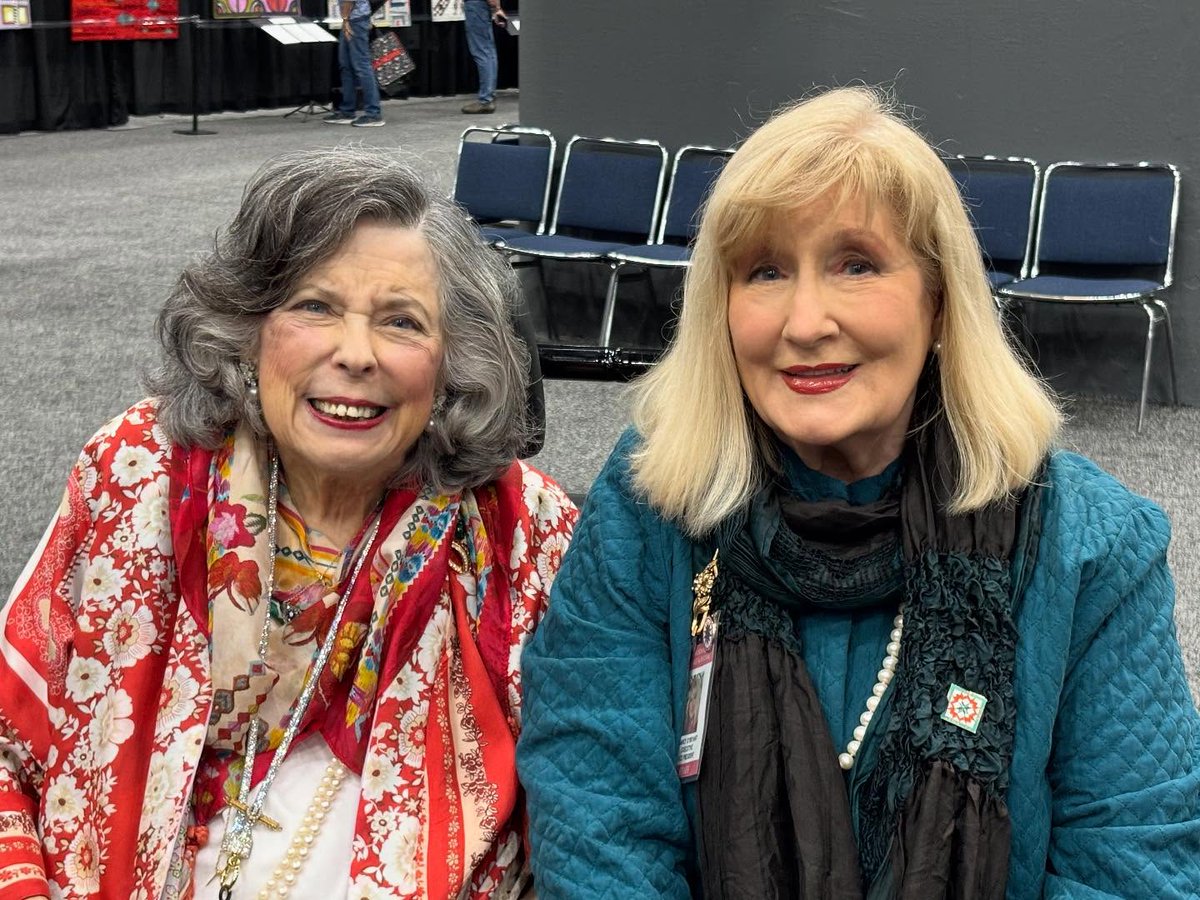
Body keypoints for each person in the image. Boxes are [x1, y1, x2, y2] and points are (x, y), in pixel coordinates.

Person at [517, 86, 1200, 898]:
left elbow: (1131, 860)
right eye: (765, 270)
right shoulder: (648, 508)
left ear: (940, 302)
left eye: (857, 264)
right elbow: (598, 823)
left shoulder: (1090, 545)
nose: (805, 321)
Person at [0, 146, 576, 898]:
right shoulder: (136, 475)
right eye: (315, 307)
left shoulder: (523, 534)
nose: (356, 355)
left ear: (449, 366)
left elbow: (589, 805)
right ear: (248, 329)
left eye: (401, 322)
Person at [325, 0, 384, 126]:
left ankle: (373, 114)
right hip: (353, 19)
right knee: (346, 66)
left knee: (362, 66)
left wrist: (346, 20)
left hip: (355, 20)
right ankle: (347, 110)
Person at [461, 0, 504, 114]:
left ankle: (486, 99)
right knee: (488, 51)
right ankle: (489, 96)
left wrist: (496, 7)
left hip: (476, 4)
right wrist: (496, 8)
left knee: (482, 51)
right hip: (481, 5)